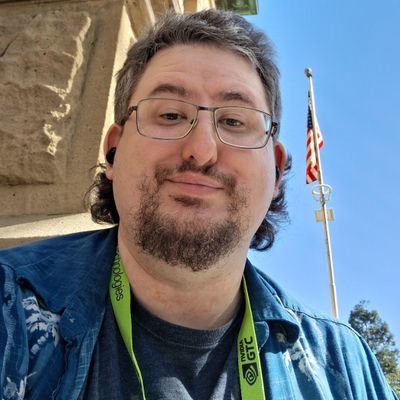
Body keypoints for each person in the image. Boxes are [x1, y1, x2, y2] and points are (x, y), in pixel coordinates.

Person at [0, 8, 397, 400]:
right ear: (114, 152)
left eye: (234, 121)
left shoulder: (346, 369)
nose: (202, 150)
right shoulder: (9, 308)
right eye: (171, 114)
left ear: (276, 171)